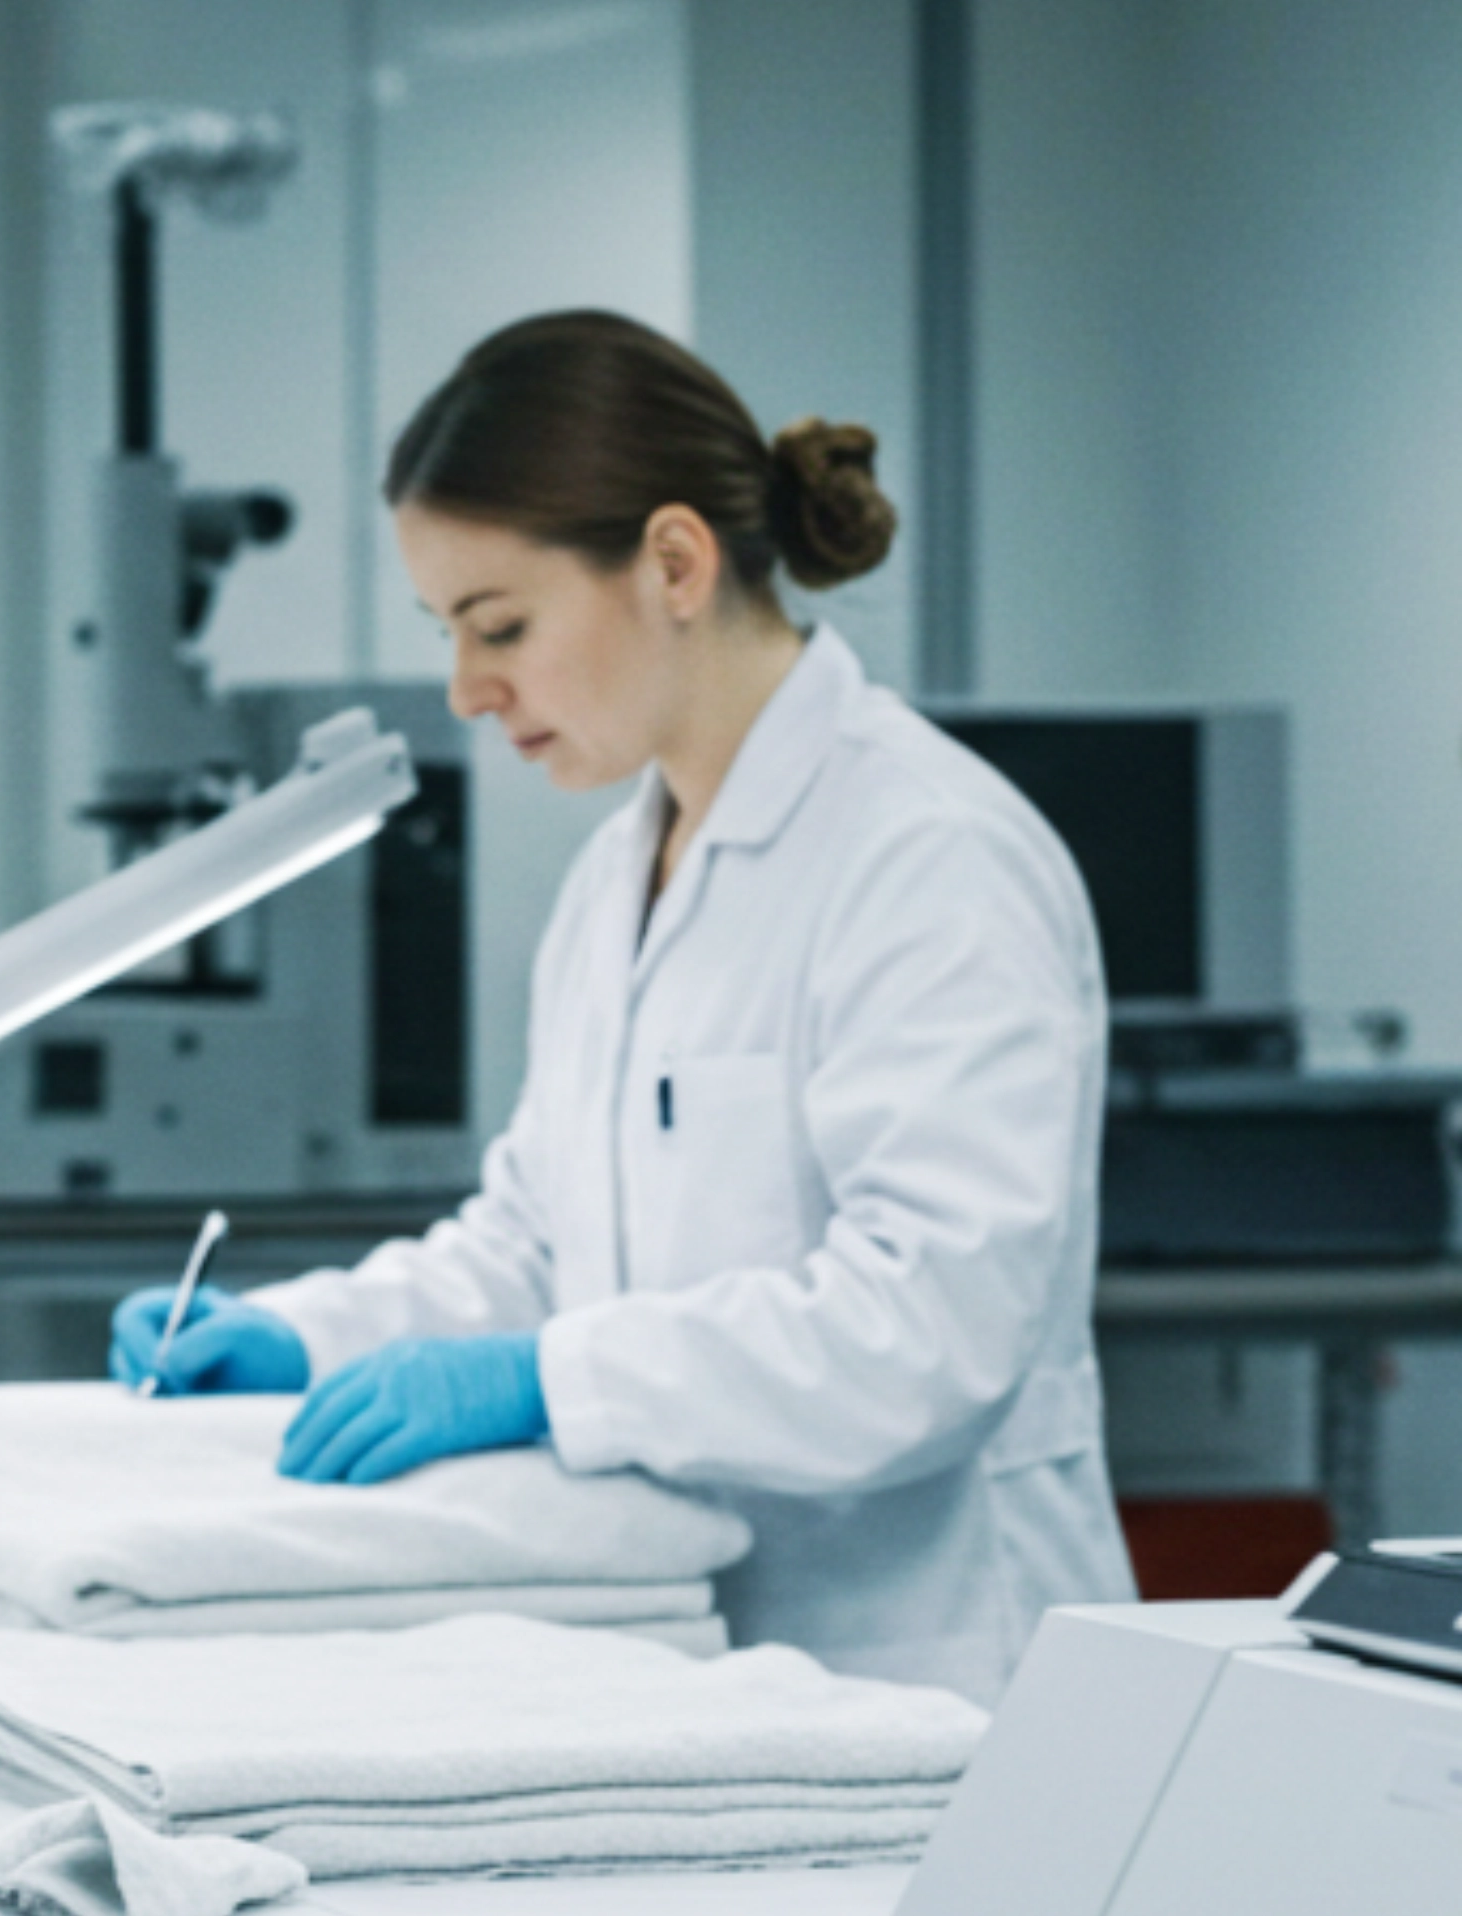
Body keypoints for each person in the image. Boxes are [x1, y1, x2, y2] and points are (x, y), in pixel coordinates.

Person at [109, 310, 1134, 1701]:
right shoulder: (616, 874)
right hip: (691, 1652)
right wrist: (313, 1336)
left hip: (931, 1672)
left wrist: (543, 1380)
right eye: (450, 635)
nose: (468, 691)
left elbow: (933, 1325)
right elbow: (541, 1247)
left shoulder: (926, 854)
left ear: (671, 562)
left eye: (501, 627)